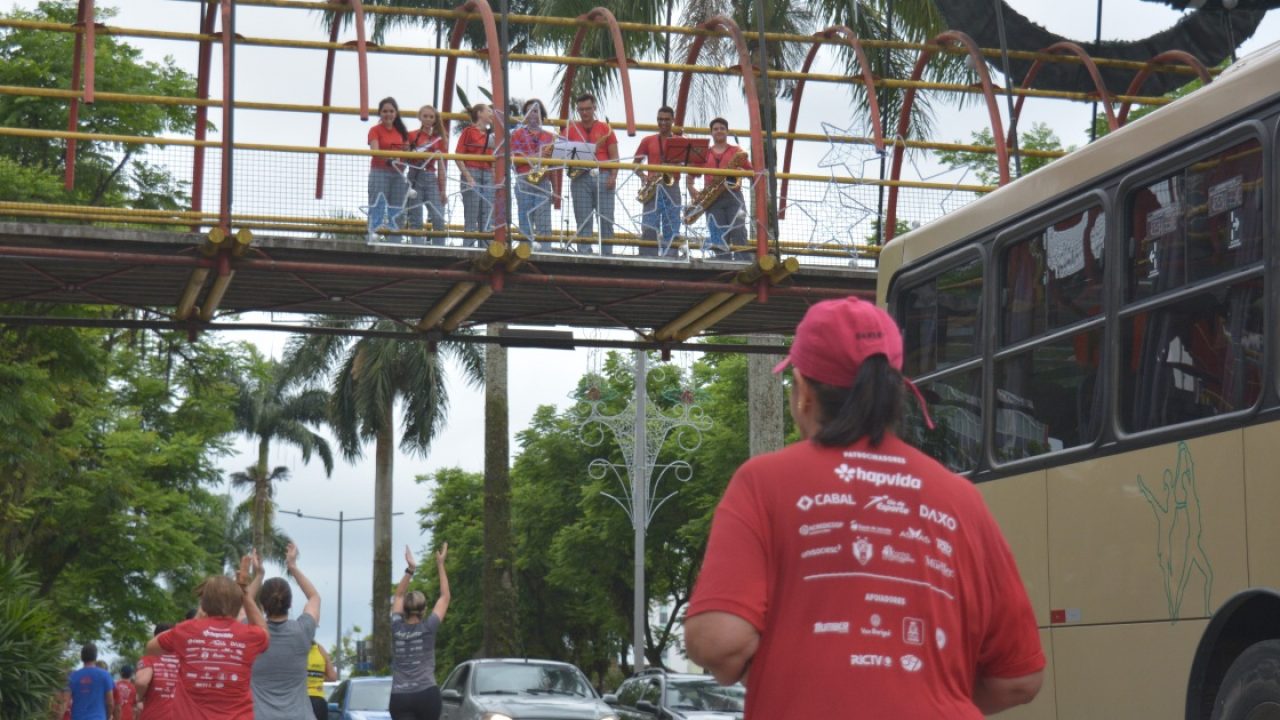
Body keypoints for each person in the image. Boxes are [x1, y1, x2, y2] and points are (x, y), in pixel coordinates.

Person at [684, 296, 1044, 719]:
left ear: (803, 393)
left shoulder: (763, 483)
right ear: (894, 390)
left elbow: (719, 643)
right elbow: (1018, 679)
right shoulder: (961, 499)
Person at [145, 556, 269, 720]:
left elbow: (151, 647)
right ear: (238, 602)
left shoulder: (185, 631)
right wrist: (244, 592)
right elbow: (263, 630)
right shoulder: (248, 635)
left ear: (203, 603)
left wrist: (198, 616)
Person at [251, 543, 322, 720]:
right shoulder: (302, 631)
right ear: (290, 604)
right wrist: (292, 567)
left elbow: (242, 604)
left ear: (263, 605)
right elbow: (314, 597)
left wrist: (259, 575)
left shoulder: (252, 633)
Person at [388, 543, 451, 720]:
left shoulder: (396, 627)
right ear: (424, 610)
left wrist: (410, 569)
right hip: (427, 694)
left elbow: (399, 596)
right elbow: (445, 597)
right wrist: (440, 564)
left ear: (404, 611)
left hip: (400, 696)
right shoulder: (428, 627)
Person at [686, 118, 747, 259]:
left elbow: (750, 171)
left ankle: (743, 262)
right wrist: (690, 187)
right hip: (713, 199)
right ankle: (722, 263)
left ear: (727, 131)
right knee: (718, 234)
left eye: (722, 128)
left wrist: (740, 170)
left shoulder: (736, 151)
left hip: (733, 196)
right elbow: (691, 174)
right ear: (711, 133)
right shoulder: (705, 153)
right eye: (716, 129)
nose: (719, 131)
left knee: (738, 230)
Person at [566, 93, 618, 255]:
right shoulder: (570, 129)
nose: (585, 112)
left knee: (606, 218)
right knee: (583, 218)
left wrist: (613, 176)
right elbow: (564, 154)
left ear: (594, 108)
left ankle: (607, 254)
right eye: (581, 109)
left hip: (603, 175)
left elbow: (615, 157)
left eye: (588, 109)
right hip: (580, 177)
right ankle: (584, 252)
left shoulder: (605, 129)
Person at [633, 106, 682, 257]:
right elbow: (636, 164)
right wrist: (643, 177)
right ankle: (647, 257)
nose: (663, 122)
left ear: (673, 120)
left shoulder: (680, 141)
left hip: (672, 186)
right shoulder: (647, 140)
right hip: (652, 187)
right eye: (660, 119)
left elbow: (690, 163)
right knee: (649, 225)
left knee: (672, 224)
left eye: (667, 119)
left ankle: (671, 257)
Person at [510, 98, 557, 249]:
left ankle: (546, 254)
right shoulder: (517, 134)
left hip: (543, 181)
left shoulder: (551, 137)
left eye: (535, 111)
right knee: (525, 220)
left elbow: (554, 165)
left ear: (541, 114)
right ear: (524, 114)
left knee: (544, 222)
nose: (532, 114)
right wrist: (536, 156)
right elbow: (512, 160)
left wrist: (556, 190)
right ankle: (525, 253)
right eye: (529, 111)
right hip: (523, 179)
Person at [367, 97, 411, 237]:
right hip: (379, 172)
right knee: (377, 204)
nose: (388, 114)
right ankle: (373, 235)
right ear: (380, 113)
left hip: (398, 174)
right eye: (385, 111)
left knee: (397, 207)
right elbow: (375, 150)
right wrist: (389, 159)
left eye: (391, 111)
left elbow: (406, 151)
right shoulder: (375, 130)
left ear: (396, 113)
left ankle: (395, 239)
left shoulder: (401, 132)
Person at [405, 104, 448, 245]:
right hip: (414, 177)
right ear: (420, 117)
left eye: (431, 117)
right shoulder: (411, 135)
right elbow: (403, 158)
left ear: (435, 119)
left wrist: (443, 190)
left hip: (431, 177)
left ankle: (439, 249)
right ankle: (417, 247)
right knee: (416, 217)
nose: (428, 119)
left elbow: (441, 166)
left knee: (439, 217)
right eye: (425, 116)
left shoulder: (439, 139)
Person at [455, 103, 497, 247]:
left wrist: (495, 178)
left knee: (487, 214)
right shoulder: (468, 131)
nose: (491, 114)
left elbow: (492, 161)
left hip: (487, 175)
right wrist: (468, 177)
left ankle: (485, 248)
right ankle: (469, 247)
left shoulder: (490, 136)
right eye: (489, 111)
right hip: (472, 172)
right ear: (479, 113)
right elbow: (458, 155)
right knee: (471, 214)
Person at [134, 623, 179, 720]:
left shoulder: (149, 659)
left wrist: (139, 697)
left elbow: (141, 682)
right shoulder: (183, 660)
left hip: (153, 715)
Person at [66, 643, 115, 720]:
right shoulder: (105, 675)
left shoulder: (73, 676)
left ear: (81, 657)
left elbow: (66, 701)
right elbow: (110, 703)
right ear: (95, 657)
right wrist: (107, 717)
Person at [306, 642, 338, 720]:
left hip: (297, 700)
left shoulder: (293, 649)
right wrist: (317, 676)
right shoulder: (320, 649)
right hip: (318, 701)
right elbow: (332, 677)